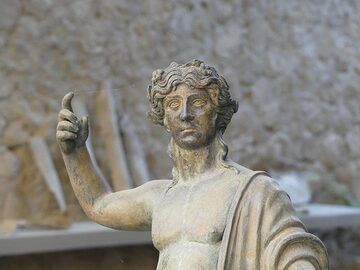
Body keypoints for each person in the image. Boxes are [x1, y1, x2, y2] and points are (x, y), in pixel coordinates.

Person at [57, 59, 328, 269]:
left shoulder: (255, 192)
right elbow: (99, 205)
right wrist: (75, 153)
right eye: (174, 104)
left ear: (217, 112)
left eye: (197, 102)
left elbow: (294, 252)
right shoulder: (160, 197)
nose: (185, 114)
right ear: (164, 118)